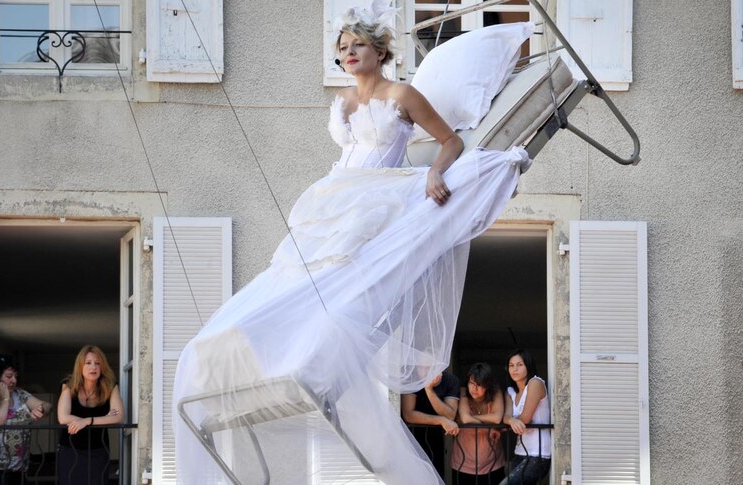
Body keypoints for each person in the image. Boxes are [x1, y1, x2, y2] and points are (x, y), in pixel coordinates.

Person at [172, 2, 531, 484]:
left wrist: (434, 174)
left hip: (382, 190)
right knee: (300, 276)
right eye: (342, 48)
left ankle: (308, 356)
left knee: (346, 284)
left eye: (356, 45)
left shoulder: (402, 94)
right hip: (338, 194)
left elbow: (451, 142)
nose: (348, 53)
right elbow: (347, 154)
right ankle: (277, 353)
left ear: (379, 50)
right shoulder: (341, 102)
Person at [0, 353, 52, 485]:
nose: (14, 381)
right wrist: (5, 399)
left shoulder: (21, 394)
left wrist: (41, 409)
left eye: (15, 377)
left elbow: (48, 405)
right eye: (8, 377)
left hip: (18, 468)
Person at [56, 345, 123, 485]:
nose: (93, 367)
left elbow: (118, 417)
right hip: (70, 449)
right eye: (88, 363)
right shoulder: (68, 385)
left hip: (98, 450)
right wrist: (104, 419)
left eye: (98, 363)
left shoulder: (110, 386)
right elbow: (63, 417)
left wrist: (87, 421)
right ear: (80, 366)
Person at [500, 350, 551, 485]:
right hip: (520, 451)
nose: (514, 369)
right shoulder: (510, 392)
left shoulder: (535, 383)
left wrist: (511, 421)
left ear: (528, 366)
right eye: (511, 365)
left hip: (538, 454)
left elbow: (525, 418)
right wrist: (511, 420)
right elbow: (505, 417)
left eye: (519, 364)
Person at [452, 363, 505, 484]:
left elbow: (497, 418)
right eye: (472, 383)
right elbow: (465, 418)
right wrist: (490, 425)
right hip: (462, 462)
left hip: (493, 462)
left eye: (479, 385)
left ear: (488, 386)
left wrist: (474, 418)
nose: (474, 389)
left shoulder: (496, 392)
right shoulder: (463, 391)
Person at [401, 371, 460, 479]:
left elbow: (450, 415)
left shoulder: (450, 380)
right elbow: (408, 415)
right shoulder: (411, 377)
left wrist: (429, 390)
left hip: (435, 440)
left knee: (435, 475)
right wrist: (441, 420)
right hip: (410, 439)